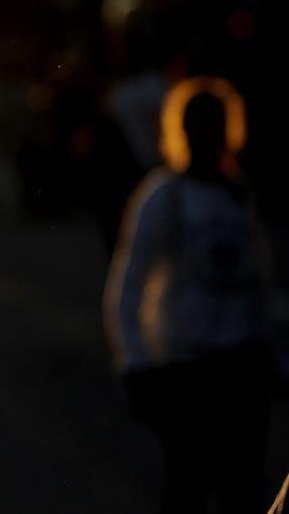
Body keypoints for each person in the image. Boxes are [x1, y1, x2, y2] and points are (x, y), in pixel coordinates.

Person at [104, 77, 271, 514]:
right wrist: (136, 364)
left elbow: (259, 281)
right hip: (189, 371)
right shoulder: (163, 196)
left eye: (215, 122)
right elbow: (127, 283)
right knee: (187, 489)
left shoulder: (238, 194)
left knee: (244, 490)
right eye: (197, 122)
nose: (207, 132)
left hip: (243, 370)